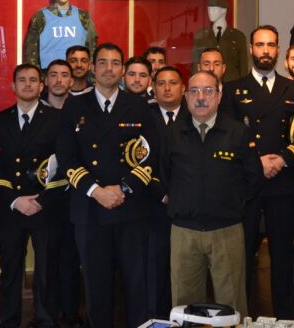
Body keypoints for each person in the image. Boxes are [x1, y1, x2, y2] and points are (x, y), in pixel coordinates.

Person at [56, 43, 160, 327]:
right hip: (90, 209)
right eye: (103, 62)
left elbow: (151, 155)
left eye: (115, 63)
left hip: (131, 209)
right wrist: (97, 191)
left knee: (136, 284)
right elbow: (66, 157)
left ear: (123, 70)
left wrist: (123, 189)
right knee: (96, 285)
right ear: (92, 68)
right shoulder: (74, 105)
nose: (109, 68)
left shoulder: (139, 106)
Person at [221, 25, 294, 320]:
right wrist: (257, 163)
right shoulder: (233, 88)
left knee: (282, 255)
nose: (266, 51)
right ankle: (241, 316)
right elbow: (229, 137)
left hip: (283, 183)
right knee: (242, 255)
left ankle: (284, 318)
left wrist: (282, 159)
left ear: (279, 49)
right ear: (251, 50)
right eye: (260, 45)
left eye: (271, 45)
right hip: (247, 184)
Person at [162, 71, 260, 319]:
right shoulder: (173, 133)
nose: (201, 97)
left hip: (226, 231)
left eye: (208, 91)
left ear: (219, 95)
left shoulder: (237, 132)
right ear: (186, 97)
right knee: (185, 305)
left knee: (232, 304)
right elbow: (162, 175)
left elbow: (253, 178)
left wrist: (231, 204)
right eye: (194, 91)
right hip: (184, 232)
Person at [0, 64, 67, 328]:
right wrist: (14, 200)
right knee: (10, 270)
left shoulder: (58, 119)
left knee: (47, 270)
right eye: (21, 80)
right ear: (13, 86)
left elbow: (66, 166)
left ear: (41, 85)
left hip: (46, 207)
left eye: (33, 80)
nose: (27, 84)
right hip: (11, 208)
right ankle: (8, 321)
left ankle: (46, 320)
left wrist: (41, 201)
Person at [41, 58, 84, 328]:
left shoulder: (81, 110)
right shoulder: (35, 111)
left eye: (64, 75)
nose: (58, 80)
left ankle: (71, 312)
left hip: (74, 196)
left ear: (72, 81)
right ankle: (47, 313)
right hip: (42, 199)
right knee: (47, 259)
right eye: (53, 75)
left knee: (71, 257)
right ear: (46, 80)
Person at [146, 65, 187, 318]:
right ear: (154, 88)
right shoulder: (143, 115)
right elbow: (135, 160)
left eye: (173, 83)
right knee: (156, 268)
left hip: (188, 205)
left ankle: (184, 317)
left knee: (186, 269)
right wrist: (161, 192)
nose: (167, 88)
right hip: (153, 203)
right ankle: (158, 318)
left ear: (183, 88)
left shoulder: (196, 114)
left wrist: (181, 194)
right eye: (161, 83)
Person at [24, 0, 98, 70]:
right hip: (50, 73)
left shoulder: (83, 16)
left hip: (77, 72)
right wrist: (37, 76)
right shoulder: (41, 16)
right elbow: (31, 50)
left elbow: (92, 45)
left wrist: (90, 72)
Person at [193, 0, 249, 83]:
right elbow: (195, 64)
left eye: (214, 10)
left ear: (224, 11)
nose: (210, 13)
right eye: (208, 10)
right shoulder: (201, 35)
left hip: (232, 87)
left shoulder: (238, 36)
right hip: (206, 85)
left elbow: (243, 66)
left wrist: (243, 88)